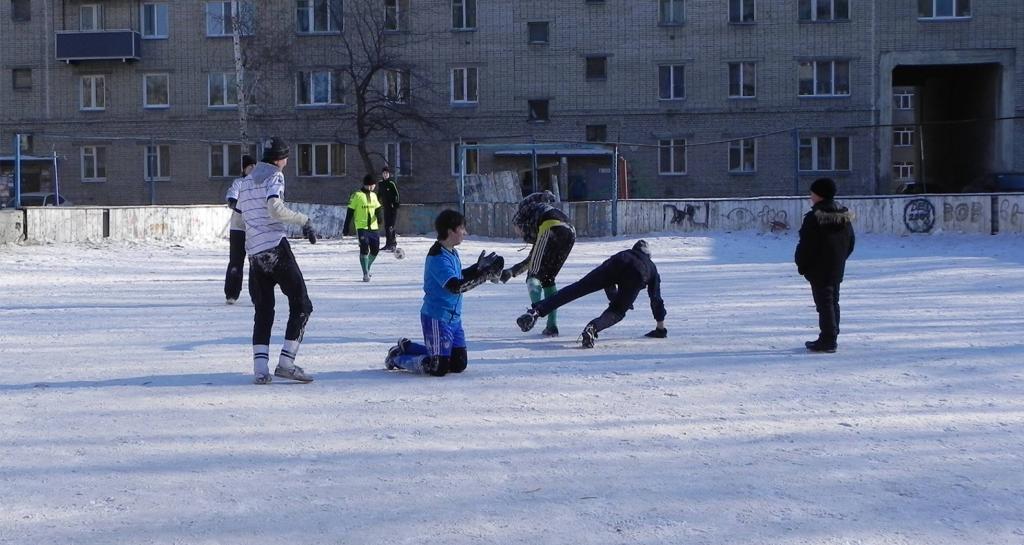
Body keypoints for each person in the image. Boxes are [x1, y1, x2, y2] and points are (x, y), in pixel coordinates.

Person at [235, 136, 319, 384]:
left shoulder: (247, 181)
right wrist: (304, 221)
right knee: (302, 304)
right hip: (275, 249)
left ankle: (261, 369)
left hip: (255, 253)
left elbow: (240, 219)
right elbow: (275, 208)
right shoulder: (275, 176)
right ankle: (286, 363)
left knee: (263, 311)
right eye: (286, 158)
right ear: (281, 159)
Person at [384, 210, 504, 376]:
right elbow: (455, 286)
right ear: (450, 231)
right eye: (462, 228)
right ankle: (397, 357)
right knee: (438, 368)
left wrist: (477, 269)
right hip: (437, 317)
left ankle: (408, 346)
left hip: (453, 318)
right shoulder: (437, 257)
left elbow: (458, 277)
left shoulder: (452, 252)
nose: (465, 233)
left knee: (458, 364)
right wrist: (483, 276)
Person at [516, 240, 667, 348]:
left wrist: (614, 296)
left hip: (617, 262)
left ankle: (536, 311)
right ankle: (592, 328)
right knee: (617, 312)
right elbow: (656, 299)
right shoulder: (651, 267)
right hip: (638, 275)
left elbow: (609, 281)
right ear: (649, 255)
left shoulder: (626, 253)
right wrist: (660, 328)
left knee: (578, 288)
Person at [496, 191, 576, 336]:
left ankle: (534, 313)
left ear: (520, 224)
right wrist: (512, 271)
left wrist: (543, 195)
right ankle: (552, 326)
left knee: (533, 276)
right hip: (570, 232)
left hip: (552, 226)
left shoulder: (524, 213)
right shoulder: (541, 223)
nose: (521, 236)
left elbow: (528, 200)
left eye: (518, 231)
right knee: (547, 279)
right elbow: (533, 258)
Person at [794, 177, 855, 353]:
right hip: (836, 266)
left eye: (812, 193)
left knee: (824, 303)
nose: (810, 196)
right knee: (832, 301)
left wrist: (802, 264)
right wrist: (840, 259)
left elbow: (806, 245)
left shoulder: (814, 218)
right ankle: (831, 335)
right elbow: (850, 242)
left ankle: (828, 339)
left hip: (818, 268)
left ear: (819, 194)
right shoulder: (843, 215)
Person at [223, 154, 258, 304]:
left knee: (256, 262)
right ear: (244, 169)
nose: (253, 169)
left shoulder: (259, 184)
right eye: (250, 167)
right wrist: (244, 208)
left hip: (255, 228)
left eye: (255, 167)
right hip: (238, 228)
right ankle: (231, 293)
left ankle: (257, 294)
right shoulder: (239, 183)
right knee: (236, 261)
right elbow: (231, 200)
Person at [344, 174, 383, 282]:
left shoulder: (374, 196)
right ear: (367, 185)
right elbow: (350, 212)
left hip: (373, 227)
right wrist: (346, 226)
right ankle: (365, 273)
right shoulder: (356, 195)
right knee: (364, 249)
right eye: (371, 185)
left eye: (374, 185)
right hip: (362, 227)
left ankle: (367, 266)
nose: (373, 187)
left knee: (375, 250)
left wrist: (379, 217)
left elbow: (378, 207)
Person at [378, 166, 400, 251]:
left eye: (387, 173)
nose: (385, 174)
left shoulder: (391, 183)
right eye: (384, 173)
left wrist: (396, 204)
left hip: (392, 208)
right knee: (387, 226)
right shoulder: (380, 183)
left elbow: (397, 194)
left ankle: (393, 244)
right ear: (382, 174)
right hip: (386, 208)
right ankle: (387, 244)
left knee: (391, 226)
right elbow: (378, 195)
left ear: (389, 174)